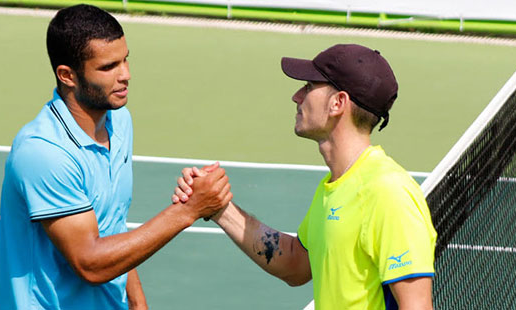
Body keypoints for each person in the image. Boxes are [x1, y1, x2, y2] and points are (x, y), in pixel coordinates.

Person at [0, 4, 232, 310]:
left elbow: (113, 224)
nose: (126, 75)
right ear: (68, 75)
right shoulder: (43, 152)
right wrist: (188, 211)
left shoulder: (119, 122)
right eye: (108, 67)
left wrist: (137, 303)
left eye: (125, 60)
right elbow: (91, 263)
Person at [173, 44, 437, 309]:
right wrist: (220, 207)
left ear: (338, 103)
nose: (297, 96)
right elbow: (295, 263)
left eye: (309, 87)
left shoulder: (387, 191)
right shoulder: (335, 186)